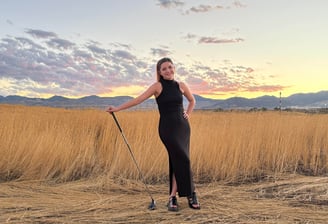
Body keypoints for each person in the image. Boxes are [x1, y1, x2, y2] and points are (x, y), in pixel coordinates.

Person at [106, 57, 200, 211]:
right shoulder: (157, 86)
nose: (168, 70)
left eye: (170, 67)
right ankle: (191, 193)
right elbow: (138, 100)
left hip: (183, 127)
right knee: (183, 158)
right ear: (159, 72)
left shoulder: (181, 85)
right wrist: (117, 109)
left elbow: (192, 100)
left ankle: (172, 197)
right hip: (167, 129)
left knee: (179, 159)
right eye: (164, 69)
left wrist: (188, 114)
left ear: (174, 68)